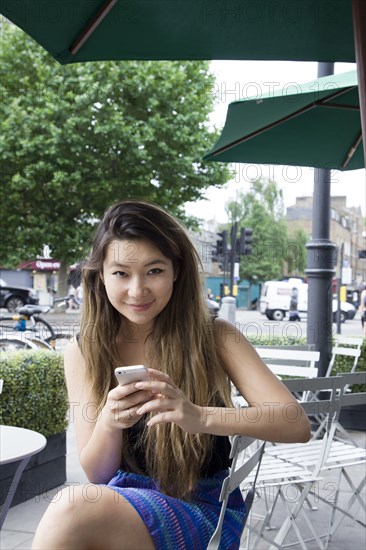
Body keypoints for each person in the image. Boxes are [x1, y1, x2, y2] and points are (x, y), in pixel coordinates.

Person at [32, 200, 310, 550]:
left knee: (69, 511)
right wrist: (108, 421)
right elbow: (99, 476)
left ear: (176, 271)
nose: (137, 291)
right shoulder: (83, 351)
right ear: (100, 275)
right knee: (75, 509)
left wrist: (200, 416)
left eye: (154, 271)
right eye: (121, 273)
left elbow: (296, 424)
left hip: (205, 509)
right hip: (125, 502)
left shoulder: (215, 336)